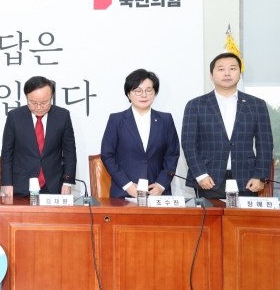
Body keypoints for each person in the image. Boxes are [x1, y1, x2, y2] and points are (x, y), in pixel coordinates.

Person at [182, 53, 273, 199]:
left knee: (243, 222)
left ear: (239, 73)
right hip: (209, 179)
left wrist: (260, 176)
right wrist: (200, 174)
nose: (227, 73)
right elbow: (189, 144)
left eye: (232, 68)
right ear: (211, 75)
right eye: (221, 69)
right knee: (210, 221)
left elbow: (265, 144)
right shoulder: (196, 105)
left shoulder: (257, 105)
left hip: (247, 180)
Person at [101, 69, 180, 198]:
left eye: (149, 90)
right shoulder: (116, 120)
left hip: (157, 193)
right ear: (128, 94)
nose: (144, 95)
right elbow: (107, 155)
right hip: (124, 192)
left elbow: (172, 154)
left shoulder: (166, 120)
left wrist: (161, 185)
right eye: (138, 91)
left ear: (154, 93)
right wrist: (127, 185)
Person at [1, 76, 77, 197]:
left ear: (51, 97)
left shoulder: (62, 116)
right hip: (21, 184)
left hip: (53, 184)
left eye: (44, 103)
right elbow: (6, 153)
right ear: (26, 97)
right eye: (33, 103)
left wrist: (67, 182)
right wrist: (7, 183)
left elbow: (69, 152)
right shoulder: (14, 117)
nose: (39, 107)